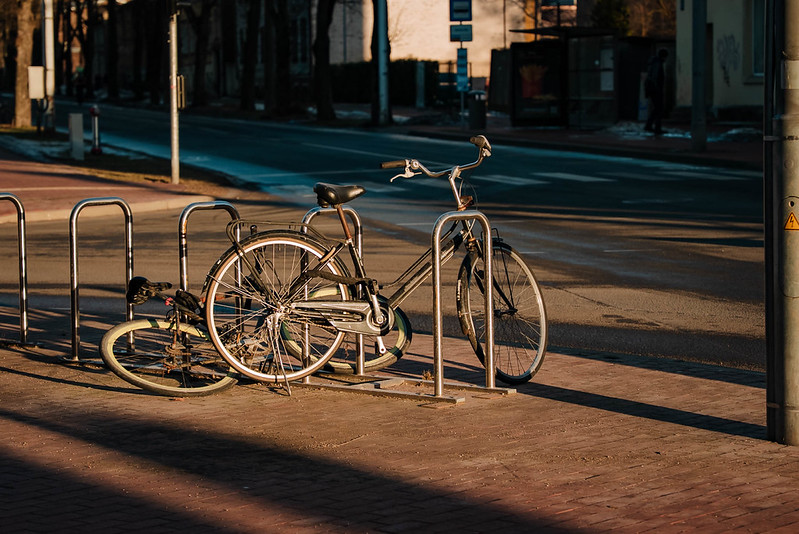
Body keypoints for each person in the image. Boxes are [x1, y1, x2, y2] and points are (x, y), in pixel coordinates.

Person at [644, 48, 668, 135]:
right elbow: (655, 77)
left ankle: (649, 125)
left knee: (656, 108)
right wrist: (658, 89)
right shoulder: (658, 63)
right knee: (659, 109)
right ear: (664, 56)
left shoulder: (653, 62)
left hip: (651, 89)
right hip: (655, 90)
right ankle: (657, 128)